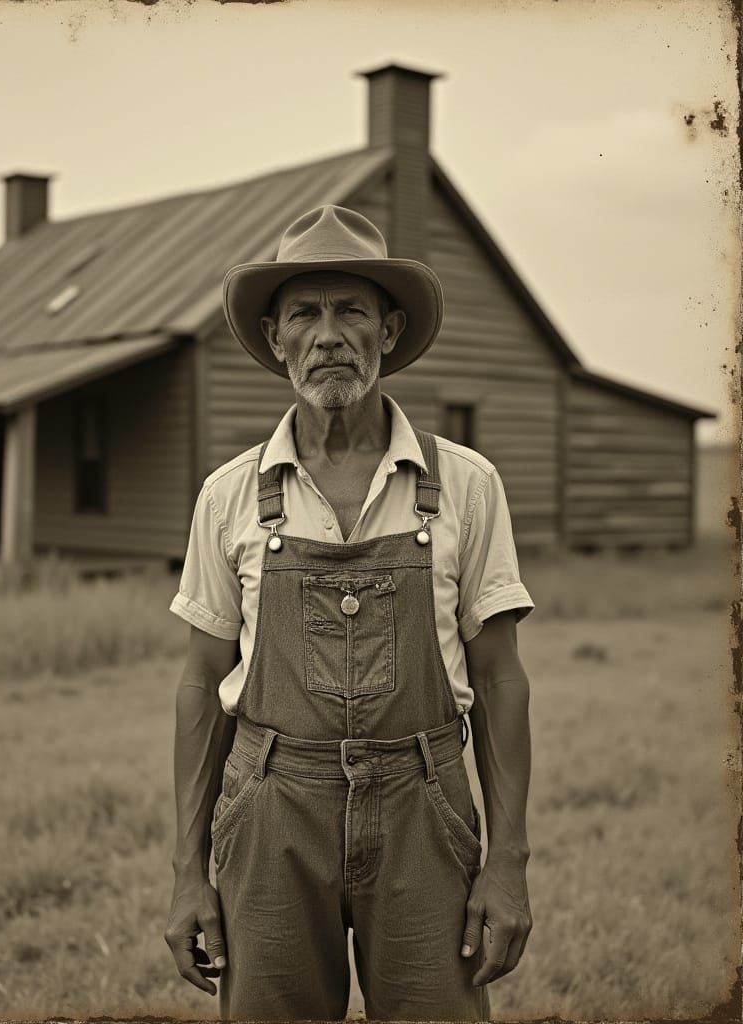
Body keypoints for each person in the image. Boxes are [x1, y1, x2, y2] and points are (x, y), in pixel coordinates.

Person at [164, 204, 533, 1021]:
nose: (328, 334)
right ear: (276, 339)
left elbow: (502, 679)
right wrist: (189, 871)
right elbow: (200, 683)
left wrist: (507, 861)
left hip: (425, 804)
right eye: (305, 313)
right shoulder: (229, 496)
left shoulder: (467, 485)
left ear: (389, 331)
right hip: (270, 809)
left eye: (350, 311)